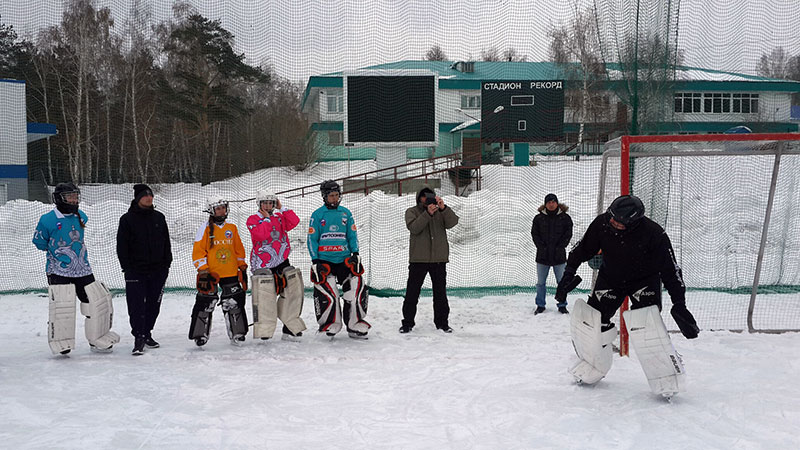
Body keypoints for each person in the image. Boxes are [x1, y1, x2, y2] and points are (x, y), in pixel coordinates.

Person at [555, 194, 700, 398]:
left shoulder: (654, 234)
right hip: (611, 278)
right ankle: (592, 364)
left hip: (644, 281)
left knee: (647, 325)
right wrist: (567, 275)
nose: (613, 223)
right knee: (592, 320)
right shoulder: (603, 223)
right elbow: (582, 249)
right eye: (611, 217)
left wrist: (680, 304)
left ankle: (665, 373)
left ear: (633, 222)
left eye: (619, 222)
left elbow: (671, 270)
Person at [32, 182, 120, 355]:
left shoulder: (81, 216)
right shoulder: (47, 220)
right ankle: (61, 340)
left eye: (75, 196)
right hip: (58, 270)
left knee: (95, 303)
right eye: (70, 196)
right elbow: (39, 242)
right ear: (59, 198)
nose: (74, 200)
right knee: (63, 305)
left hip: (83, 269)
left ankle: (97, 338)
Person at [307, 180, 370, 340]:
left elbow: (352, 235)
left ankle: (355, 323)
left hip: (344, 260)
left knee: (356, 286)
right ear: (324, 197)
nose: (334, 199)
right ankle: (331, 323)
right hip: (325, 261)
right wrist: (315, 261)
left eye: (336, 195)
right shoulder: (317, 215)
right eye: (331, 196)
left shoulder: (345, 213)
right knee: (330, 293)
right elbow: (312, 239)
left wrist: (355, 253)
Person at [116, 184, 172, 356]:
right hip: (136, 271)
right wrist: (127, 267)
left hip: (158, 270)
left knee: (154, 304)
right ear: (138, 198)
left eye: (151, 196)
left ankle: (147, 332)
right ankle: (138, 336)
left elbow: (166, 242)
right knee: (136, 305)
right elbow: (122, 246)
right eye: (145, 196)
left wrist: (166, 263)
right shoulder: (127, 219)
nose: (149, 198)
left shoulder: (159, 217)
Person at [246, 190, 306, 341]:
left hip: (281, 260)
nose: (268, 206)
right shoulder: (253, 219)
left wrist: (282, 208)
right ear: (259, 204)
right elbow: (261, 235)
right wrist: (266, 220)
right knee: (266, 296)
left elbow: (294, 221)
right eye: (265, 203)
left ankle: (290, 327)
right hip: (262, 263)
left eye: (270, 203)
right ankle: (265, 329)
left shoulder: (279, 217)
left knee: (292, 291)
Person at [189, 196, 249, 346]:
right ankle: (200, 334)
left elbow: (238, 250)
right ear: (211, 210)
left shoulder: (232, 228)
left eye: (223, 207)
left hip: (230, 272)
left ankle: (238, 333)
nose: (222, 210)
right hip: (211, 274)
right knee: (205, 304)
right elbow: (198, 252)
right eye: (218, 208)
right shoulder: (205, 228)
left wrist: (242, 267)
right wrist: (203, 270)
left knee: (234, 303)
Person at [399, 187, 459, 334]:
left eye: (430, 196)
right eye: (424, 197)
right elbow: (414, 228)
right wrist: (427, 214)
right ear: (419, 198)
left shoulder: (440, 211)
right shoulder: (412, 211)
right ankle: (407, 323)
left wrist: (443, 208)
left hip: (438, 259)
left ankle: (442, 323)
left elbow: (452, 222)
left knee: (440, 294)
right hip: (418, 260)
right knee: (412, 293)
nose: (428, 199)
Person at [531, 193, 573, 315]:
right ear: (545, 204)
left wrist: (561, 247)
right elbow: (535, 234)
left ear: (557, 203)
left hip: (559, 257)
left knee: (562, 282)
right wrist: (541, 247)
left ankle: (562, 305)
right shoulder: (538, 218)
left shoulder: (565, 218)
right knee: (540, 283)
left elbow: (568, 233)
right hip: (542, 257)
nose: (551, 204)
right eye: (549, 202)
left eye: (553, 202)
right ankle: (540, 305)